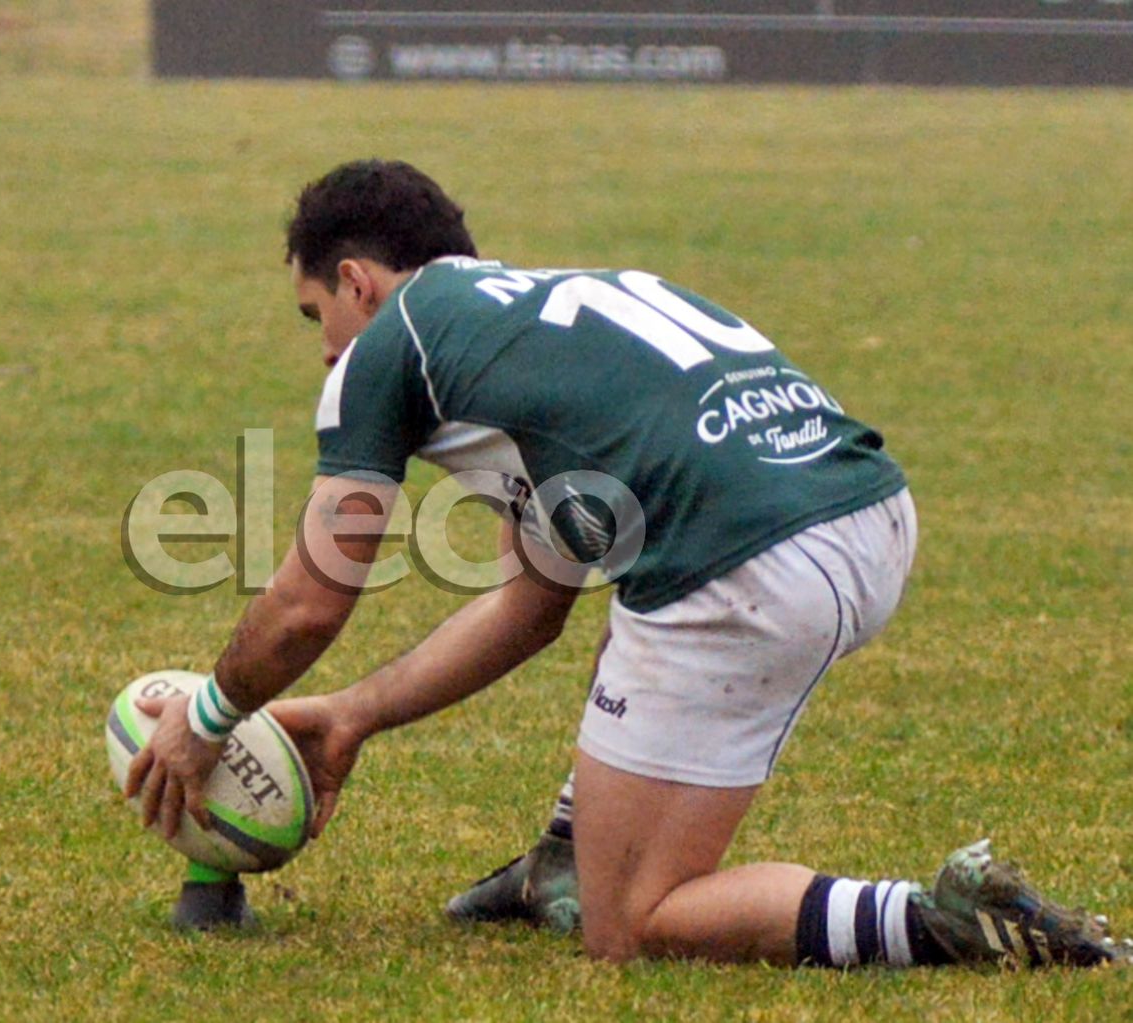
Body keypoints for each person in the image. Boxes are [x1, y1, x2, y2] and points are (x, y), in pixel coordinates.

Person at [124, 159, 1128, 967]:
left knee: (637, 924)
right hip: (868, 512)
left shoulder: (391, 345)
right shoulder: (549, 313)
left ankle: (936, 919)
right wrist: (354, 715)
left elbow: (308, 602)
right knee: (626, 598)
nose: (325, 352)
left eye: (317, 319)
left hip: (745, 565)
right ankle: (567, 851)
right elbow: (534, 603)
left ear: (356, 282)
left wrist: (207, 718)